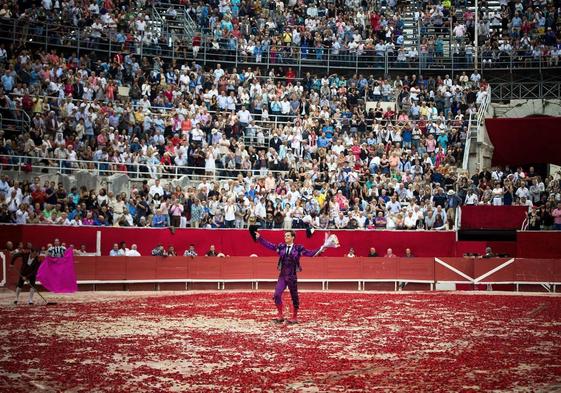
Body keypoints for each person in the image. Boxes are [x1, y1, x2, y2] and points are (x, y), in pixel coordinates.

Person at [255, 230, 326, 324]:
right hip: (282, 275)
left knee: (294, 297)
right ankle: (280, 315)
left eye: (288, 236)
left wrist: (321, 248)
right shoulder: (281, 247)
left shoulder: (298, 248)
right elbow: (270, 245)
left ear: (293, 237)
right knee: (276, 294)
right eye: (285, 236)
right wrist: (260, 238)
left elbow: (310, 253)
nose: (286, 237)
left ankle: (294, 317)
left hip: (292, 276)